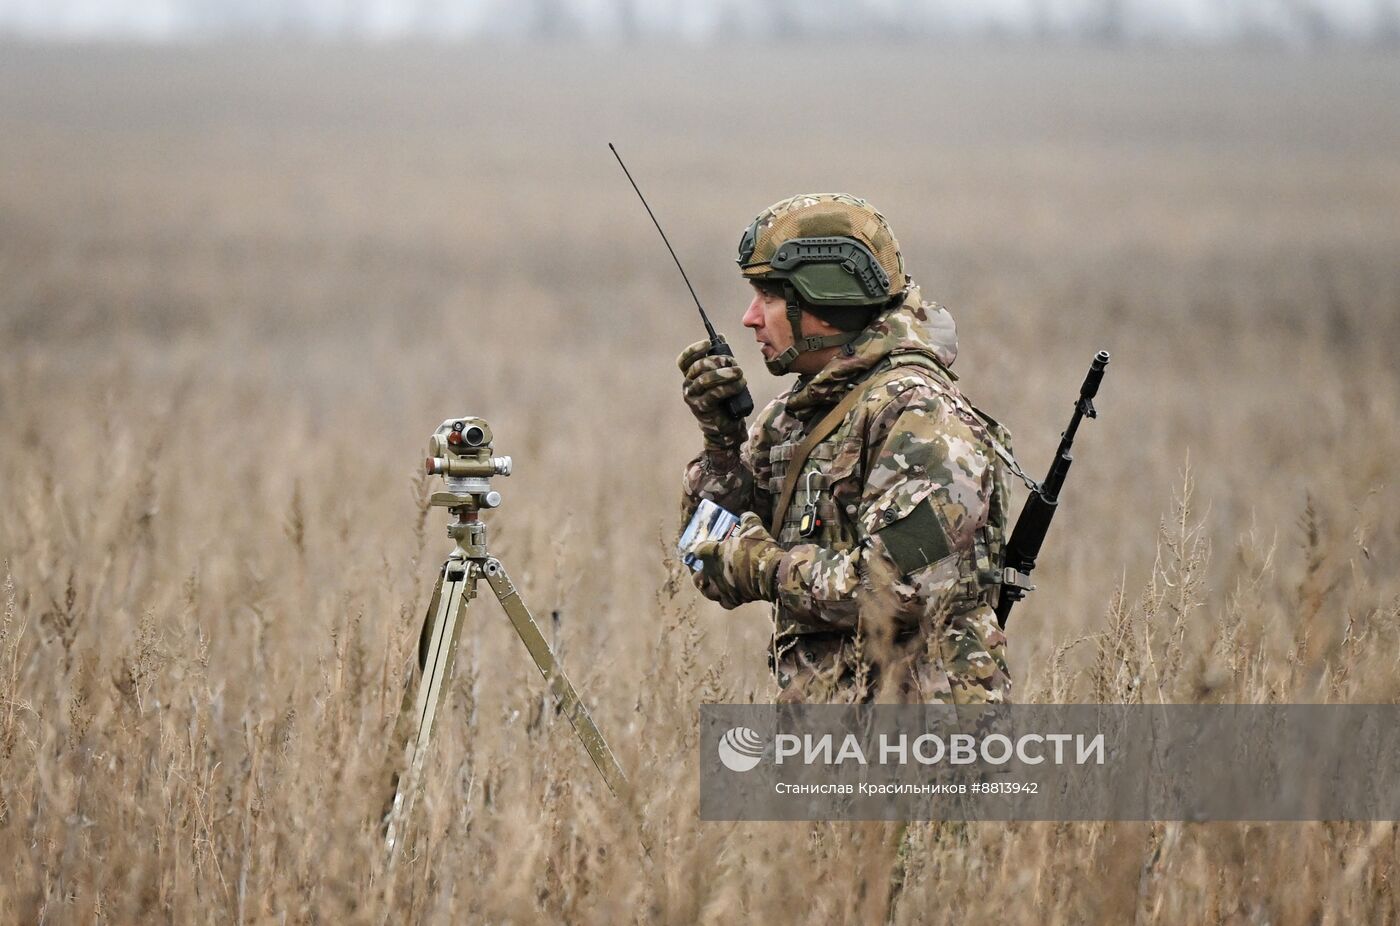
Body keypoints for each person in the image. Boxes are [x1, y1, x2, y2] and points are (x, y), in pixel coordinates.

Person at [678, 193, 1014, 705]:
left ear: (826, 302)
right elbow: (708, 563)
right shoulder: (796, 415)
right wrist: (722, 446)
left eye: (767, 296)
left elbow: (896, 588)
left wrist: (764, 565)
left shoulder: (924, 421)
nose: (749, 318)